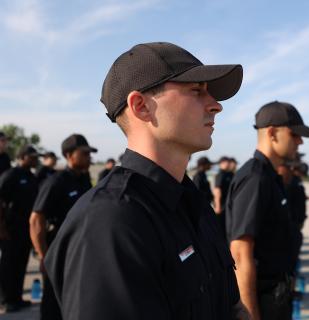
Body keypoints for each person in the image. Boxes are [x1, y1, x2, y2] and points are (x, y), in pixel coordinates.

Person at [44, 42, 247, 320]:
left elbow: (233, 308)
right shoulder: (112, 222)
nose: (215, 106)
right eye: (196, 90)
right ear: (141, 106)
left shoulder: (193, 202)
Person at [226, 101, 309, 320]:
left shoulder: (270, 177)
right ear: (273, 133)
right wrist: (250, 315)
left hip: (277, 293)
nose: (300, 141)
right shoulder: (256, 178)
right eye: (294, 134)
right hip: (262, 299)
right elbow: (240, 252)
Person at [30, 134, 96, 320]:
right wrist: (43, 256)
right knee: (53, 302)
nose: (89, 157)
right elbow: (36, 219)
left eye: (90, 153)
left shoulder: (84, 180)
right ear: (68, 155)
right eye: (84, 153)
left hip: (79, 251)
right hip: (57, 252)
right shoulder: (56, 181)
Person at [0, 146, 40, 312]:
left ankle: (17, 297)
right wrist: (1, 227)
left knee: (21, 263)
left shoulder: (30, 176)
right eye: (32, 157)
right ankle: (6, 300)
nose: (35, 159)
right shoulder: (10, 175)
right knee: (8, 265)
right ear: (22, 157)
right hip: (10, 229)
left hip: (25, 229)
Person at [213, 156, 233, 233]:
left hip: (227, 203)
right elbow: (217, 190)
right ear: (221, 164)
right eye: (226, 162)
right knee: (221, 227)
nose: (228, 164)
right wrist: (218, 206)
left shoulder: (228, 174)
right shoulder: (220, 174)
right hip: (222, 205)